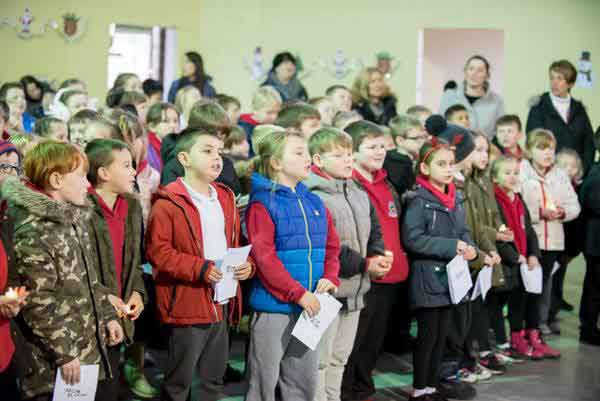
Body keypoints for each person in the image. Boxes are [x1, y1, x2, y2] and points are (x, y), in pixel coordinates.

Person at [1, 141, 124, 400]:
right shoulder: (35, 230)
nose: (88, 184)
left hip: (86, 349)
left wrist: (108, 315)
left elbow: (90, 280)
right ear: (56, 179)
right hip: (54, 362)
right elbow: (38, 301)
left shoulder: (72, 219)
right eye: (80, 176)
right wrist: (65, 352)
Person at [146, 127, 253, 401]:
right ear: (184, 158)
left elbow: (235, 241)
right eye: (207, 151)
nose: (217, 158)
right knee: (179, 381)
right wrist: (201, 269)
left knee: (212, 378)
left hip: (222, 299)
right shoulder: (169, 201)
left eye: (219, 151)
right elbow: (159, 253)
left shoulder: (225, 196)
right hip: (187, 302)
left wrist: (247, 263)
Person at [244, 130, 340, 401]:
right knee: (263, 383)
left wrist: (331, 276)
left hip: (311, 308)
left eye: (307, 151)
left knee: (302, 382)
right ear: (275, 162)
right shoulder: (263, 202)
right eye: (298, 152)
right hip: (276, 308)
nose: (307, 157)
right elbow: (264, 258)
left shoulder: (314, 200)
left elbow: (333, 247)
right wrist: (297, 293)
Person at [305, 128, 390, 401]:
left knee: (340, 358)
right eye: (338, 155)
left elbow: (375, 228)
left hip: (356, 290)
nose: (347, 160)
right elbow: (327, 245)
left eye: (348, 154)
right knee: (319, 360)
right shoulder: (312, 194)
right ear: (318, 160)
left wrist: (377, 255)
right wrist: (365, 264)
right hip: (328, 291)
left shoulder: (357, 190)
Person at [402, 139, 478, 401]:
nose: (448, 169)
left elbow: (463, 232)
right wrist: (451, 246)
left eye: (450, 164)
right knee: (428, 336)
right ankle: (420, 387)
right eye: (441, 164)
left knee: (442, 335)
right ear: (424, 167)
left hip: (450, 280)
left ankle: (432, 385)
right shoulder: (418, 200)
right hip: (427, 279)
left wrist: (470, 249)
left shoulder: (454, 198)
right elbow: (413, 239)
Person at [341, 121, 409, 401]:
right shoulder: (350, 184)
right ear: (353, 152)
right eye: (371, 147)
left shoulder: (386, 182)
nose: (379, 152)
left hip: (391, 273)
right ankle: (345, 392)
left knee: (373, 341)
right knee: (352, 341)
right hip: (363, 272)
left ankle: (363, 387)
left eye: (382, 145)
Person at [85, 139, 147, 401]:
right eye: (126, 165)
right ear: (103, 173)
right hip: (90, 317)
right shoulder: (81, 208)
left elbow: (135, 259)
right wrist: (105, 303)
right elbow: (82, 270)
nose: (134, 171)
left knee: (110, 387)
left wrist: (137, 292)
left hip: (120, 314)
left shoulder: (132, 207)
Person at [520, 128, 580, 348]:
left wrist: (562, 212)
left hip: (553, 240)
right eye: (541, 148)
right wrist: (539, 213)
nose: (547, 153)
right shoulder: (522, 173)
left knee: (542, 287)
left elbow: (575, 206)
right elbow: (518, 207)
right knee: (524, 288)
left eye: (551, 149)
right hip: (529, 239)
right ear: (529, 151)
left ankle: (535, 329)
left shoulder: (560, 175)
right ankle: (519, 331)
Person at [491, 156, 544, 360]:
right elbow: (500, 233)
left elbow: (528, 230)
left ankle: (518, 337)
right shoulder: (495, 201)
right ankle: (501, 342)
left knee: (519, 300)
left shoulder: (518, 198)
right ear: (495, 177)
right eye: (507, 173)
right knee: (498, 304)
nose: (513, 177)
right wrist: (515, 257)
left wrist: (532, 254)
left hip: (522, 261)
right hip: (507, 263)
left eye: (515, 172)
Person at [526, 59, 595, 174]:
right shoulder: (539, 107)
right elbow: (534, 142)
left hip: (576, 176)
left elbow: (589, 144)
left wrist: (581, 172)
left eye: (559, 78)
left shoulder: (579, 109)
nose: (554, 83)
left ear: (570, 84)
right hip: (548, 174)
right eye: (552, 78)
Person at [439, 55, 505, 139]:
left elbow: (500, 133)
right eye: (471, 69)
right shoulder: (449, 96)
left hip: (485, 150)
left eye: (480, 70)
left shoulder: (497, 101)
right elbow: (440, 127)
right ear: (465, 72)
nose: (474, 74)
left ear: (487, 75)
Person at [554, 150, 584, 313]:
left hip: (569, 242)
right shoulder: (555, 186)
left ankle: (558, 300)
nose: (568, 169)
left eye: (572, 166)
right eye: (563, 165)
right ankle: (552, 305)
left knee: (560, 274)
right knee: (553, 275)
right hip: (556, 238)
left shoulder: (578, 188)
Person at [579, 148, 600, 345]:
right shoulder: (595, 175)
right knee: (595, 287)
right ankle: (588, 329)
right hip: (596, 242)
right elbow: (593, 204)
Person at [384, 114, 428, 198]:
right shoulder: (397, 165)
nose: (422, 141)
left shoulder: (404, 159)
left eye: (423, 137)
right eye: (416, 138)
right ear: (400, 140)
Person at [239, 86, 282, 157]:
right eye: (269, 112)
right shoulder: (245, 130)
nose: (275, 116)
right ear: (255, 110)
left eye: (277, 112)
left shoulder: (273, 126)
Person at [146, 102, 180, 172]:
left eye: (175, 121)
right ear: (152, 126)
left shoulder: (180, 146)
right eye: (166, 121)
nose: (173, 125)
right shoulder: (147, 150)